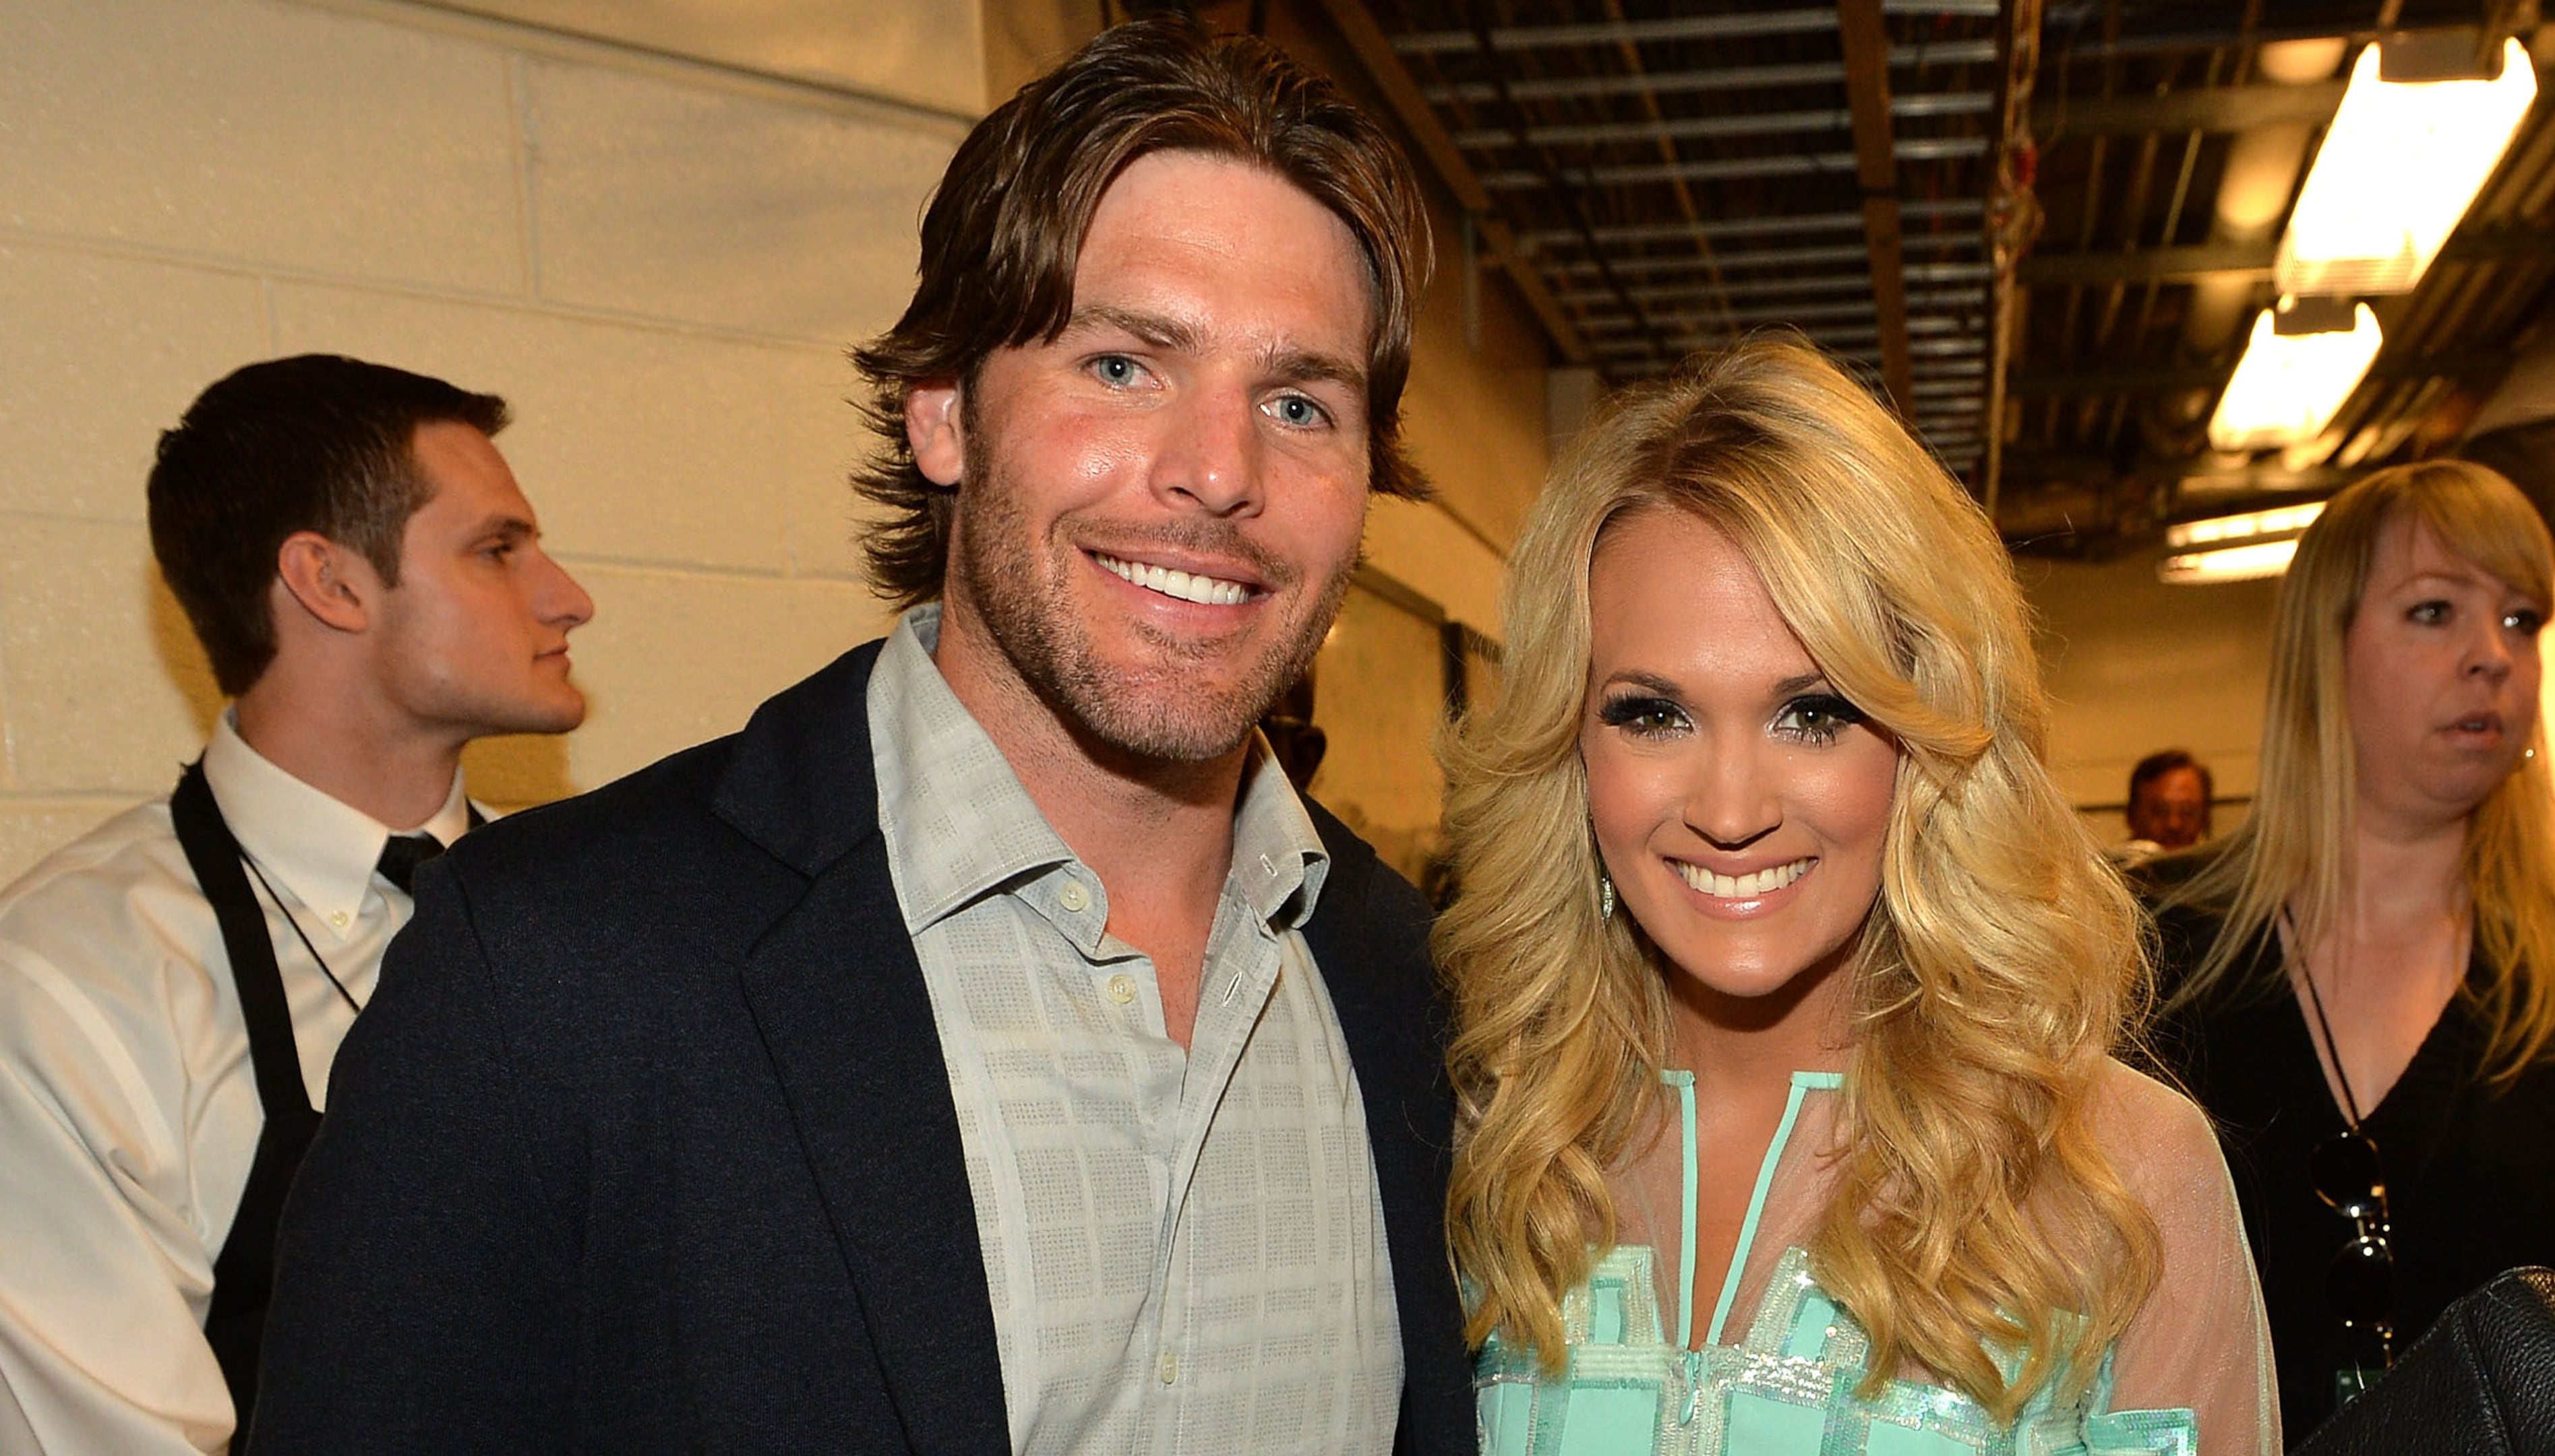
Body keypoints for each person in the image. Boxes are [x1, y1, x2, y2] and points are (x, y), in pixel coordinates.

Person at [253, 20, 1477, 1455]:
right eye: (1123, 366)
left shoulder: (1415, 991)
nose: (1220, 472)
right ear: (945, 413)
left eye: (1298, 402)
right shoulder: (548, 974)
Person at [1437, 340, 2277, 1455]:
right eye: (1654, 714)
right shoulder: (1498, 1148)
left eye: (1814, 713)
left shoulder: (2119, 1169)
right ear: (1569, 747)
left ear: (1921, 739)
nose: (1731, 807)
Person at [0, 354, 595, 1454]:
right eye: (498, 551)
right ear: (329, 583)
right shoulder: (71, 984)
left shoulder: (603, 919)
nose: (571, 598)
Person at [2146, 458, 2555, 1440]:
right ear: (2323, 649)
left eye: (2522, 620)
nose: (2493, 656)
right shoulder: (2154, 954)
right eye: (2435, 612)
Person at [2114, 748, 2213, 864]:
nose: (2174, 824)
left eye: (2187, 812)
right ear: (2132, 816)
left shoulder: (2219, 875)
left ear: (2205, 818)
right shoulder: (2106, 878)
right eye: (2161, 812)